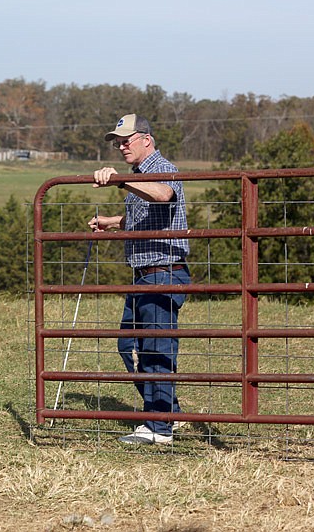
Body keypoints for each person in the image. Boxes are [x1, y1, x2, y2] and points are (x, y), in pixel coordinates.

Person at [88, 113, 191, 445]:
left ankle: (160, 428)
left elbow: (163, 196)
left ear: (147, 139)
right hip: (143, 275)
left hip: (163, 273)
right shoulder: (138, 176)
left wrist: (118, 180)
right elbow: (148, 215)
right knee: (128, 345)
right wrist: (113, 221)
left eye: (126, 140)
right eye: (117, 141)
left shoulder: (164, 169)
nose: (120, 146)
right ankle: (166, 411)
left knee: (156, 349)